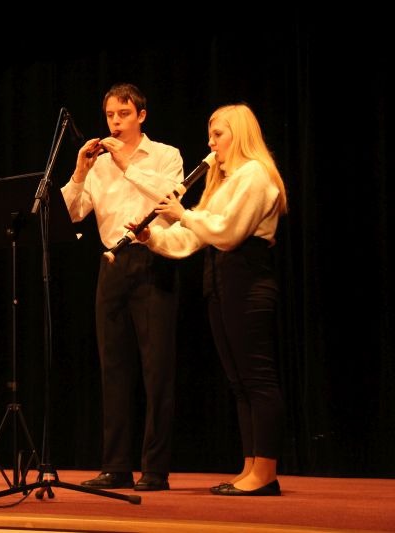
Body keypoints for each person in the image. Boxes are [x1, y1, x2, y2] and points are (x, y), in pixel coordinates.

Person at [136, 103, 287, 496]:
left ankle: (266, 472)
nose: (211, 143)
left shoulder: (255, 174)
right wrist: (152, 236)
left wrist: (182, 213)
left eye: (217, 134)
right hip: (221, 279)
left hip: (248, 279)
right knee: (239, 381)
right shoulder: (226, 180)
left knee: (257, 378)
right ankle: (251, 466)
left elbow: (228, 232)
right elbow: (194, 237)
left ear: (239, 133)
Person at [61, 83, 184, 491]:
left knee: (157, 369)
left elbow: (171, 200)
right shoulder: (98, 166)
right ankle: (115, 466)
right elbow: (71, 213)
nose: (115, 122)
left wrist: (128, 164)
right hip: (112, 263)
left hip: (153, 257)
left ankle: (155, 469)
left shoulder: (166, 155)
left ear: (141, 116)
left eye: (124, 114)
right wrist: (80, 171)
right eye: (111, 115)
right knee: (113, 368)